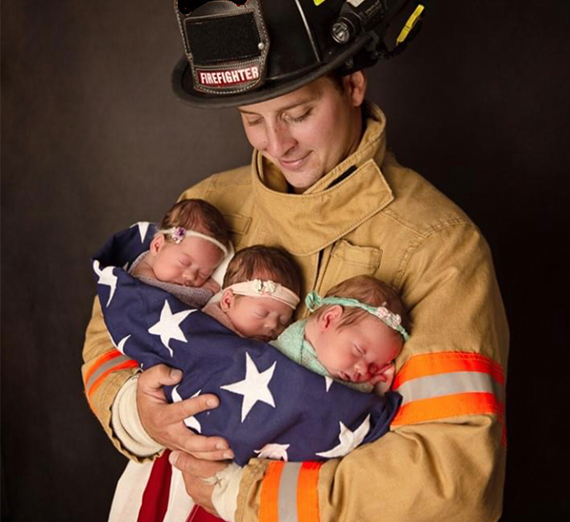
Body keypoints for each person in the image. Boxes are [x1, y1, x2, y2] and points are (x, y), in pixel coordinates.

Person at [83, 1, 509, 521]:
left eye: (298, 113)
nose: (277, 144)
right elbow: (112, 338)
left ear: (352, 86)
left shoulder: (440, 247)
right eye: (252, 119)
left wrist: (245, 492)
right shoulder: (209, 204)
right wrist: (140, 414)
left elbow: (450, 477)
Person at [272, 274, 410, 394]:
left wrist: (369, 390)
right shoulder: (285, 349)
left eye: (373, 367)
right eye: (358, 350)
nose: (363, 370)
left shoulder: (329, 357)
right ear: (329, 319)